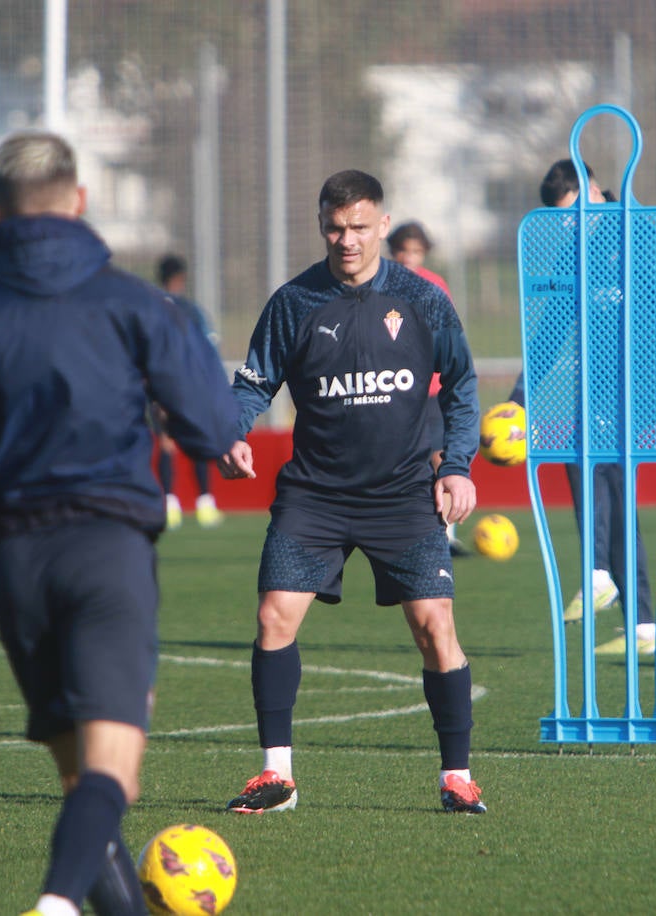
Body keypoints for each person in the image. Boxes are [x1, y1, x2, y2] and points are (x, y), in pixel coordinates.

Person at [0, 131, 241, 916]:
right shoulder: (136, 301)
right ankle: (55, 904)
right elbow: (211, 423)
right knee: (114, 774)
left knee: (82, 782)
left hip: (13, 559)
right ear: (79, 201)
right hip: (108, 549)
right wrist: (214, 434)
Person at [220, 169, 486, 814]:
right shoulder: (293, 302)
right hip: (315, 494)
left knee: (434, 628)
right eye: (336, 228)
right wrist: (228, 432)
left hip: (403, 495)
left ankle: (457, 777)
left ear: (383, 226)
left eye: (360, 227)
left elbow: (462, 385)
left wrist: (457, 466)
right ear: (321, 227)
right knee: (272, 619)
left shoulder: (423, 299)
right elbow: (253, 384)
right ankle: (275, 776)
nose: (347, 240)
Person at [511, 158, 656, 656]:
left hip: (639, 384)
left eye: (574, 211)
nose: (570, 224)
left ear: (594, 192)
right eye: (562, 218)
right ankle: (643, 626)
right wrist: (519, 397)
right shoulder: (573, 251)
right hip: (594, 389)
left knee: (587, 463)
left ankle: (598, 572)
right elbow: (551, 329)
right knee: (615, 498)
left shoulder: (640, 236)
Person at [386, 221, 466, 555]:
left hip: (431, 389)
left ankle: (446, 532)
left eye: (416, 251)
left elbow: (448, 334)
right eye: (404, 250)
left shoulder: (435, 285)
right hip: (395, 388)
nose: (409, 257)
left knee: (439, 455)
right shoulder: (382, 283)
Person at [155, 253, 224, 529]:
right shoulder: (190, 310)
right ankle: (205, 503)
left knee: (166, 444)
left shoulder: (150, 308)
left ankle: (170, 504)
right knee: (197, 440)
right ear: (180, 278)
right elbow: (209, 347)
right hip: (189, 384)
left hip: (158, 386)